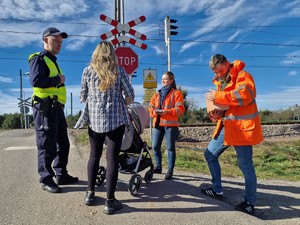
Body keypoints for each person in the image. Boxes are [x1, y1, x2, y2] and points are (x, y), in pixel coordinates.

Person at [75, 41, 134, 215]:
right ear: (112, 54)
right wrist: (120, 103)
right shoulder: (119, 71)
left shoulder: (87, 71)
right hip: (115, 119)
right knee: (112, 159)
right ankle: (110, 201)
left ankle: (90, 194)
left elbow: (82, 96)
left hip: (93, 119)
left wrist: (95, 102)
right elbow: (130, 95)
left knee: (94, 155)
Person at [201, 54, 264, 215]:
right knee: (210, 154)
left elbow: (245, 96)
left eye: (221, 71)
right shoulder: (220, 82)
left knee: (245, 166)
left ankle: (250, 203)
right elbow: (225, 104)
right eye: (217, 73)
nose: (219, 74)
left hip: (242, 129)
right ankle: (217, 190)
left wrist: (218, 97)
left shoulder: (243, 75)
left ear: (226, 63)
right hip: (226, 127)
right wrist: (215, 112)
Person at [28, 27, 78, 193]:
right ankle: (45, 178)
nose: (59, 44)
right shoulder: (39, 58)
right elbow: (36, 80)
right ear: (45, 40)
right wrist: (58, 79)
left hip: (56, 108)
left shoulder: (53, 61)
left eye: (61, 42)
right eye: (56, 40)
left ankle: (61, 174)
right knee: (46, 144)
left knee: (63, 143)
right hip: (45, 108)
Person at [148, 71, 185, 180]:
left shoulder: (176, 93)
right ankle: (158, 166)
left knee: (170, 148)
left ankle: (170, 170)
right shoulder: (157, 94)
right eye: (162, 79)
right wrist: (154, 112)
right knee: (155, 146)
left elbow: (180, 110)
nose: (162, 81)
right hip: (158, 124)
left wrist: (166, 112)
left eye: (165, 79)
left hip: (170, 125)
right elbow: (150, 107)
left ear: (171, 80)